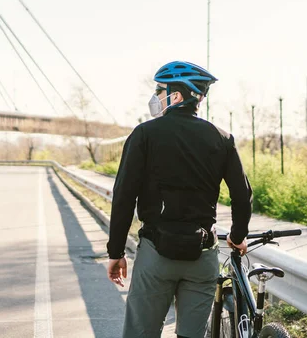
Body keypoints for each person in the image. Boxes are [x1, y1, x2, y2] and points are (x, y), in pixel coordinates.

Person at [106, 61, 253, 338]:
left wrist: (116, 252)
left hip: (156, 254)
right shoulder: (222, 139)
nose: (156, 97)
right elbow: (242, 195)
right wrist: (237, 235)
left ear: (176, 96)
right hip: (203, 255)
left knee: (141, 333)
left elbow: (123, 196)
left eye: (160, 90)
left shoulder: (144, 135)